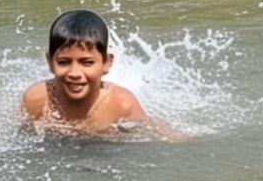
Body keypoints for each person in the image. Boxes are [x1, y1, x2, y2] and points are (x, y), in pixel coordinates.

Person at [22, 9, 183, 138]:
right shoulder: (37, 100)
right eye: (64, 62)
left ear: (107, 63)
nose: (74, 73)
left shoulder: (121, 105)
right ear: (50, 63)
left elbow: (149, 128)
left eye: (87, 62)